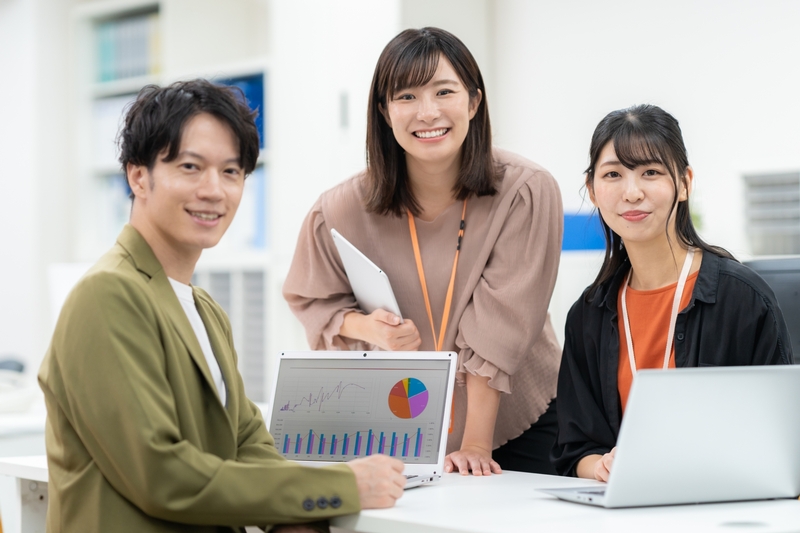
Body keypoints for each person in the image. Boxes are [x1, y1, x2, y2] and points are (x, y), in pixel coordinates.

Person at [38, 79, 405, 533]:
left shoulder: (204, 308)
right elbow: (163, 476)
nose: (214, 190)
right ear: (138, 176)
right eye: (191, 167)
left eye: (231, 172)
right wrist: (339, 486)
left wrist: (291, 520)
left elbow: (246, 440)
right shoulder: (107, 295)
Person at [283, 28, 563, 476]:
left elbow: (501, 326)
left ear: (474, 102)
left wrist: (474, 445)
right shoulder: (339, 208)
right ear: (384, 111)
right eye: (407, 96)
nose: (427, 112)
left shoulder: (524, 191)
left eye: (444, 91)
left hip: (518, 423)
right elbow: (313, 300)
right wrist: (368, 328)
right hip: (401, 422)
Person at [551, 104, 794, 481]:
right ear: (592, 190)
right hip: (623, 508)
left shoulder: (742, 298)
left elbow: (784, 441)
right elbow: (574, 451)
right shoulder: (588, 314)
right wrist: (601, 467)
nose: (632, 193)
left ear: (684, 183)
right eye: (613, 174)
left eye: (650, 172)